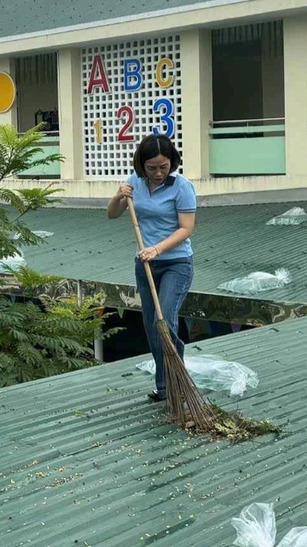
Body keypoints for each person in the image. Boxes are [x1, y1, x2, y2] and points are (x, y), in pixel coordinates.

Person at [107, 135, 196, 402]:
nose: (158, 173)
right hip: (145, 265)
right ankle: (165, 388)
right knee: (151, 328)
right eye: (152, 168)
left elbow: (186, 228)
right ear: (141, 165)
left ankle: (177, 381)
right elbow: (112, 214)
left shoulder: (182, 187)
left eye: (163, 166)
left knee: (165, 322)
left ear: (172, 162)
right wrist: (118, 196)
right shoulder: (134, 182)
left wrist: (158, 248)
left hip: (176, 263)